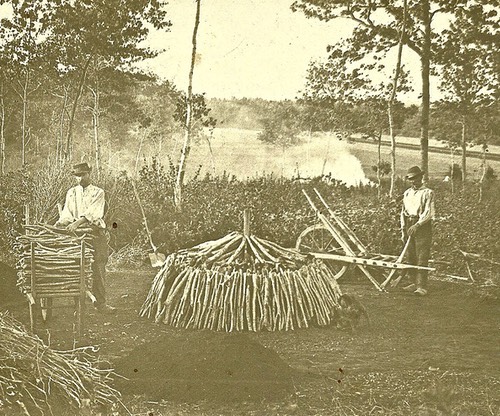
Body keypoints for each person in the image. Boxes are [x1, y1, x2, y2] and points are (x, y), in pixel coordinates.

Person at [55, 162, 115, 313]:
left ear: (89, 174)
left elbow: (94, 213)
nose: (80, 178)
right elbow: (67, 214)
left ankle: (101, 304)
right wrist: (60, 223)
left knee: (98, 268)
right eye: (77, 176)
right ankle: (79, 305)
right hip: (78, 237)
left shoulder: (98, 192)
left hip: (95, 235)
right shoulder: (71, 193)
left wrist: (78, 222)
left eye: (83, 175)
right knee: (77, 269)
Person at [400, 166, 435, 296]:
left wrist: (417, 225)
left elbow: (428, 213)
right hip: (409, 223)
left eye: (415, 178)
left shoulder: (428, 193)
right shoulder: (407, 193)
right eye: (410, 179)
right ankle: (413, 282)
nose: (413, 181)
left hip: (422, 225)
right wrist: (403, 229)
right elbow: (403, 212)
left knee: (422, 254)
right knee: (411, 254)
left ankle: (422, 286)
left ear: (421, 177)